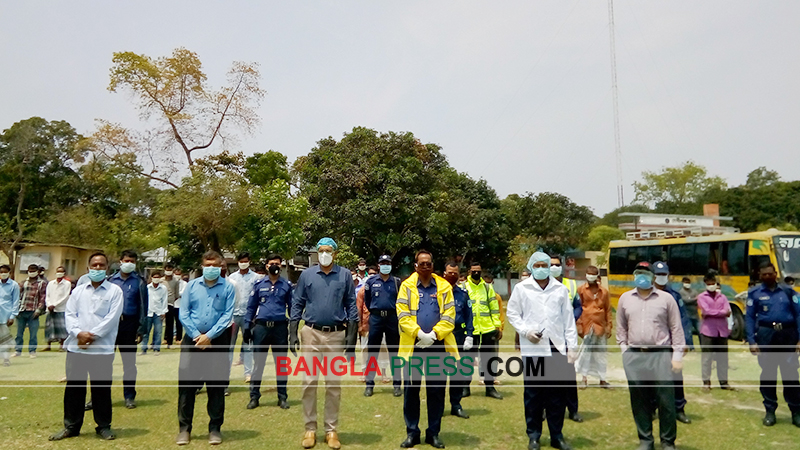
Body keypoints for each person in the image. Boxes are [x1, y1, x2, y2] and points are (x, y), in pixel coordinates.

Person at [507, 252, 578, 450]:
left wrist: (571, 347)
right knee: (533, 394)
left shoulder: (560, 289)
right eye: (536, 265)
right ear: (531, 267)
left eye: (543, 265)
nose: (540, 269)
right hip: (534, 348)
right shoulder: (522, 289)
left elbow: (568, 320)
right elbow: (512, 313)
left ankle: (557, 435)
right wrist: (525, 331)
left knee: (557, 395)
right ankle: (534, 435)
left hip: (556, 348)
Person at [291, 238, 358, 450]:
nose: (324, 254)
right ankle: (310, 428)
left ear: (335, 253)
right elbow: (297, 302)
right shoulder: (307, 275)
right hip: (311, 333)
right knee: (309, 382)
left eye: (328, 251)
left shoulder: (345, 275)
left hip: (336, 335)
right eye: (321, 251)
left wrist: (352, 337)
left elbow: (351, 304)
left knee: (333, 384)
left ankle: (331, 430)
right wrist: (293, 331)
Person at [49, 252, 124, 441]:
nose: (98, 268)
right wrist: (78, 334)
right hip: (77, 348)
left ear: (107, 268)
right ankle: (71, 426)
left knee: (101, 389)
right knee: (74, 389)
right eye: (94, 265)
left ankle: (103, 426)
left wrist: (91, 336)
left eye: (101, 265)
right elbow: (70, 315)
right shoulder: (78, 291)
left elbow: (111, 319)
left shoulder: (115, 291)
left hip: (102, 349)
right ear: (88, 268)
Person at [617, 261, 684, 450]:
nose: (642, 276)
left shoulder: (666, 299)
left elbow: (676, 328)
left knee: (666, 401)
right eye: (638, 272)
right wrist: (624, 351)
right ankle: (645, 440)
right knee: (639, 400)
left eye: (646, 273)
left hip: (661, 354)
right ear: (633, 275)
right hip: (635, 355)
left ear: (653, 276)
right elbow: (621, 328)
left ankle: (667, 441)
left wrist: (677, 356)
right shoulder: (625, 299)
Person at [397, 250, 457, 449]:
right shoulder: (406, 286)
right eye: (421, 263)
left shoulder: (444, 286)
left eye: (428, 263)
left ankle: (434, 433)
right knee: (411, 392)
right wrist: (418, 334)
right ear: (415, 266)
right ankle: (412, 433)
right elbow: (402, 313)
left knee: (436, 392)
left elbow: (449, 315)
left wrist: (433, 335)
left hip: (437, 346)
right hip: (413, 346)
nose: (425, 266)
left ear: (433, 265)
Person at [176, 250, 236, 445]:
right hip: (191, 341)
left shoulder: (228, 288)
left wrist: (209, 336)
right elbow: (184, 313)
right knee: (186, 387)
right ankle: (184, 429)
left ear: (221, 267)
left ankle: (215, 428)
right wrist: (196, 336)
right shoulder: (192, 287)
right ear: (202, 266)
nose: (210, 269)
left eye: (214, 265)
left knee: (216, 387)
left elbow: (227, 316)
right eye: (207, 265)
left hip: (217, 341)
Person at [745, 262, 800, 427]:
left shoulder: (788, 291)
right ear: (760, 275)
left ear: (776, 273)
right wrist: (752, 340)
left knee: (791, 374)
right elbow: (749, 317)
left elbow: (798, 315)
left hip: (787, 336)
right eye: (764, 274)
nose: (768, 276)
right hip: (766, 336)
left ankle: (796, 412)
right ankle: (770, 411)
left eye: (770, 273)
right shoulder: (754, 293)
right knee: (768, 374)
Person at [244, 253, 293, 410]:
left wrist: (293, 329)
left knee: (281, 364)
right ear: (266, 266)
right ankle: (254, 397)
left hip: (279, 328)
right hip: (261, 328)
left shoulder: (286, 285)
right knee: (258, 364)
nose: (275, 266)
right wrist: (246, 326)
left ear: (281, 266)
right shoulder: (258, 284)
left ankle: (282, 397)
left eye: (278, 263)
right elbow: (251, 307)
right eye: (272, 263)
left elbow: (293, 308)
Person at [104, 249, 148, 410]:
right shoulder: (110, 280)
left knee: (129, 363)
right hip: (111, 325)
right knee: (103, 362)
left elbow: (143, 306)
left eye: (132, 261)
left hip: (130, 325)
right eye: (126, 260)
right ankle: (98, 397)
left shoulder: (140, 282)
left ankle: (129, 396)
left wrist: (141, 329)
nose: (129, 264)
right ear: (120, 261)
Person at [652, 261, 693, 424]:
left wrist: (687, 343)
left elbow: (684, 319)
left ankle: (679, 409)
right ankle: (653, 408)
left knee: (676, 377)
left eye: (664, 274)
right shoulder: (646, 294)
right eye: (658, 274)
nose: (662, 278)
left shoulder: (674, 296)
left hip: (672, 344)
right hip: (654, 344)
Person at [550, 256, 584, 423]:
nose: (554, 267)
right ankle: (544, 409)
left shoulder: (570, 284)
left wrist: (571, 318)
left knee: (568, 376)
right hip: (548, 337)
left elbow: (578, 306)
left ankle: (573, 410)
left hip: (565, 336)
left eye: (556, 265)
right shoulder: (540, 285)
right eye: (551, 265)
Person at [363, 255, 403, 397]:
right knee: (372, 351)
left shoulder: (397, 282)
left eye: (388, 263)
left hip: (392, 318)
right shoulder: (371, 281)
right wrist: (376, 311)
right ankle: (369, 384)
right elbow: (367, 300)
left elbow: (400, 300)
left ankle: (397, 384)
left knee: (395, 352)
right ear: (378, 265)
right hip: (376, 318)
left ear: (391, 265)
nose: (385, 265)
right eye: (383, 263)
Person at [464, 261, 503, 399]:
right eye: (473, 271)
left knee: (489, 360)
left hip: (487, 330)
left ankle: (490, 388)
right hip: (470, 331)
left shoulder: (487, 288)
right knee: (467, 360)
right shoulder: (463, 287)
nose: (476, 273)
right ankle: (465, 388)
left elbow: (494, 308)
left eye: (478, 271)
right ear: (469, 271)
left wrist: (497, 326)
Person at [443, 260, 474, 419]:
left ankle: (456, 405)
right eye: (450, 273)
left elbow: (469, 315)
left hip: (459, 335)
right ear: (444, 273)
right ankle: (438, 406)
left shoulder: (462, 294)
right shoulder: (437, 292)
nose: (453, 276)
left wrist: (470, 334)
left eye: (455, 274)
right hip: (441, 336)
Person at [696, 272, 735, 392]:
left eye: (713, 283)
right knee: (707, 358)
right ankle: (706, 382)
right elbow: (705, 311)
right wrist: (720, 312)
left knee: (723, 358)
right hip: (708, 331)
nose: (711, 285)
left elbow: (727, 311)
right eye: (709, 283)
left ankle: (724, 382)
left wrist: (713, 312)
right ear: (705, 284)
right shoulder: (701, 297)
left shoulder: (722, 297)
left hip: (722, 331)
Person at [575, 265, 612, 388]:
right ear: (586, 275)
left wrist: (609, 326)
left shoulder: (604, 292)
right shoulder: (580, 290)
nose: (591, 276)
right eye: (589, 273)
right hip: (587, 325)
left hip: (600, 326)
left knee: (601, 353)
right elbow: (578, 308)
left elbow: (608, 310)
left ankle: (602, 379)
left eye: (593, 274)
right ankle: (584, 379)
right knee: (586, 352)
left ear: (597, 276)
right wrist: (579, 325)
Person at [228, 252, 258, 383]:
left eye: (245, 261)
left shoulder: (256, 278)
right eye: (241, 261)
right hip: (233, 316)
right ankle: (225, 374)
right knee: (229, 346)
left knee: (248, 346)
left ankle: (248, 373)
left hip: (248, 316)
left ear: (249, 262)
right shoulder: (232, 277)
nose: (243, 263)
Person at [14, 263, 47, 358]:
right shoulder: (23, 282)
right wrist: (16, 309)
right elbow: (18, 296)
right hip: (22, 310)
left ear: (38, 272)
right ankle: (18, 350)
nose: (32, 272)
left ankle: (32, 351)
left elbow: (42, 298)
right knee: (19, 333)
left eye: (34, 271)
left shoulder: (42, 283)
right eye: (30, 271)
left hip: (33, 311)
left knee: (33, 333)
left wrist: (38, 310)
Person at [44, 266, 71, 352]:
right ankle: (48, 346)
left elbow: (65, 296)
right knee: (50, 327)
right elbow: (47, 295)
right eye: (58, 271)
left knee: (61, 327)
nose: (59, 273)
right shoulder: (51, 283)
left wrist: (55, 305)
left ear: (64, 273)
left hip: (61, 309)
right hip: (50, 309)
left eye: (61, 272)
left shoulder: (67, 284)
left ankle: (62, 345)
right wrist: (49, 304)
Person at [141, 271, 168, 355]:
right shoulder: (147, 287)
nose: (156, 279)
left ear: (160, 278)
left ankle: (156, 349)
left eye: (158, 277)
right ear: (151, 278)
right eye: (154, 277)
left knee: (158, 332)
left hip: (158, 312)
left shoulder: (163, 288)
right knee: (146, 332)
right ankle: (144, 349)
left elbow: (165, 300)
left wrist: (164, 312)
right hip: (148, 312)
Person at [0, 265, 20, 366]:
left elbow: (16, 301)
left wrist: (12, 316)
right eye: (1, 272)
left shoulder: (14, 285)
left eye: (5, 272)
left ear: (9, 272)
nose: (3, 274)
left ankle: (6, 359)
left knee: (5, 339)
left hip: (6, 316)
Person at [163, 263, 181, 349]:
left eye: (170, 270)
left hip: (170, 304)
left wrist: (172, 300)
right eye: (167, 269)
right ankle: (155, 342)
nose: (169, 271)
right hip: (159, 304)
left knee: (169, 324)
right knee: (157, 323)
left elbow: (177, 294)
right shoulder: (161, 280)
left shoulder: (175, 281)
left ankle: (169, 342)